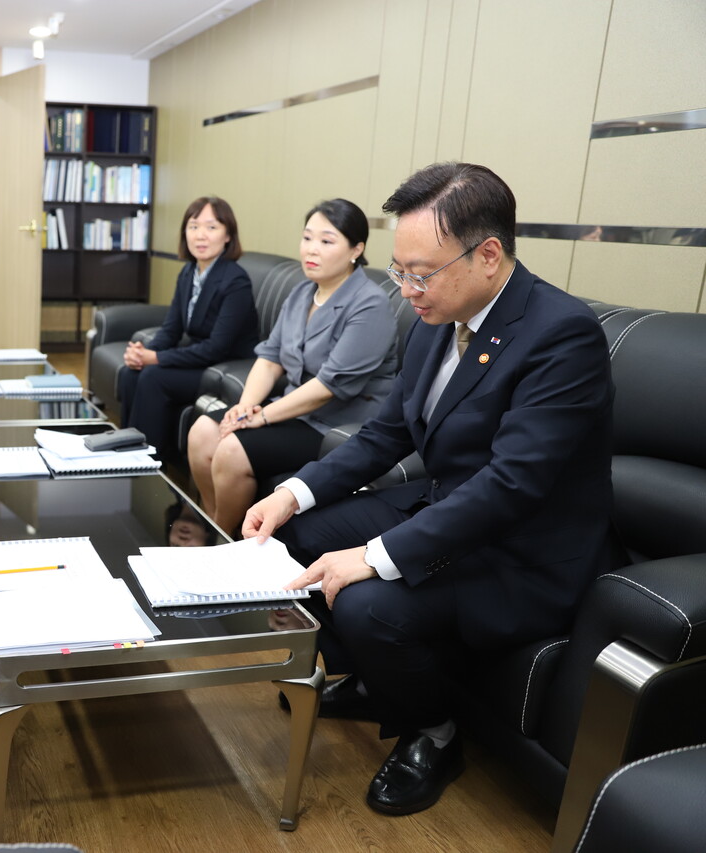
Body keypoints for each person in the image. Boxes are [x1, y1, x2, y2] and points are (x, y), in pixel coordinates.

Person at [243, 162, 615, 817]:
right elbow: (382, 436)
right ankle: (372, 682)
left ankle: (434, 733)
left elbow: (510, 485)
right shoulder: (435, 319)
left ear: (488, 254)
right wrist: (292, 492)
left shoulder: (561, 335)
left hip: (519, 551)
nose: (407, 288)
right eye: (398, 270)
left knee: (365, 603)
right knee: (300, 533)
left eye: (421, 272)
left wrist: (375, 554)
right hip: (451, 515)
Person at [187, 199, 397, 533]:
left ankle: (227, 546)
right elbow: (270, 358)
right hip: (294, 411)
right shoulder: (302, 293)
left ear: (356, 249)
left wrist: (262, 417)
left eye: (327, 241)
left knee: (230, 449)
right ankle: (214, 522)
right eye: (307, 238)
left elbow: (328, 387)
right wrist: (245, 407)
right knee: (202, 432)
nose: (311, 250)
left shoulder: (370, 304)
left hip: (335, 425)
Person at [117, 195, 258, 457]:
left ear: (228, 236)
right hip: (199, 358)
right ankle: (126, 453)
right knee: (130, 372)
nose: (200, 235)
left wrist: (155, 358)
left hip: (224, 365)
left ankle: (150, 462)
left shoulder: (235, 280)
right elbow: (171, 328)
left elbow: (217, 348)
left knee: (153, 377)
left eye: (211, 227)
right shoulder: (189, 272)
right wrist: (141, 354)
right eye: (193, 227)